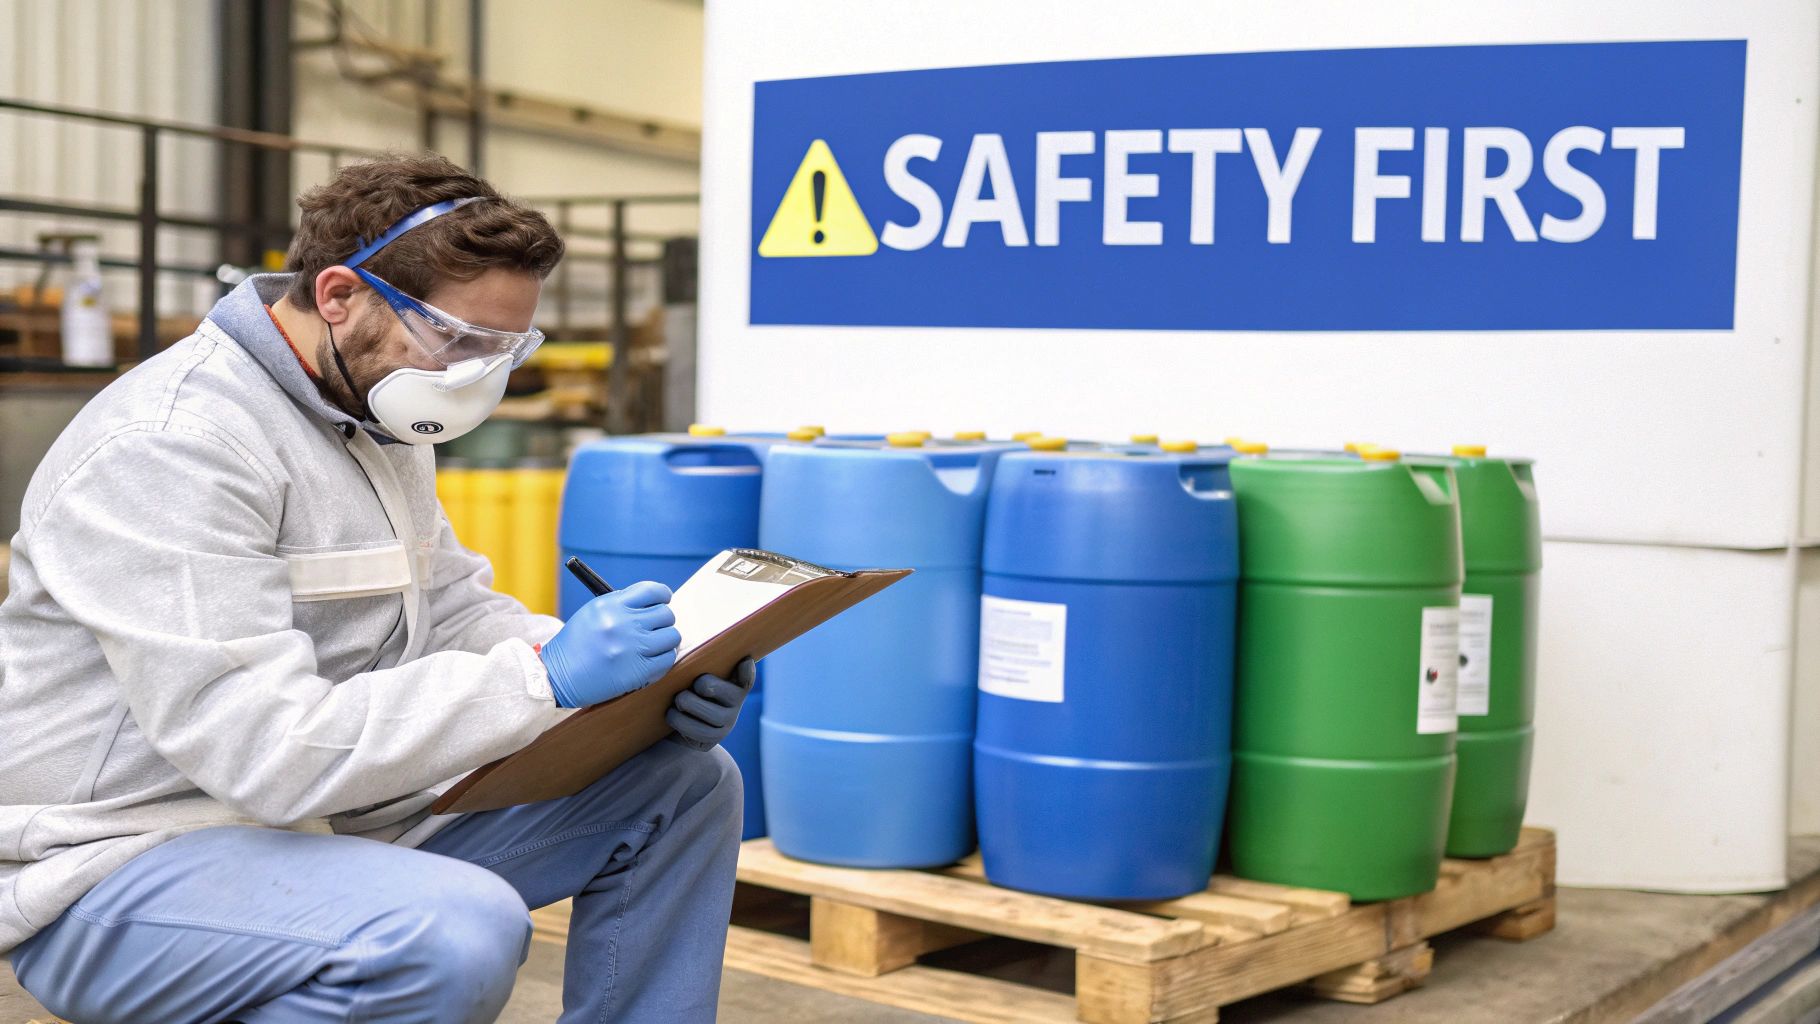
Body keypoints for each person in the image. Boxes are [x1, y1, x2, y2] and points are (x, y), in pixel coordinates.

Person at [0, 153, 752, 1023]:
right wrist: (543, 683)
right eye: (454, 338)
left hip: (328, 823)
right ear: (337, 297)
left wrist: (635, 681)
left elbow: (452, 606)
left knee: (686, 784)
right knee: (452, 932)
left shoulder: (372, 412)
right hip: (123, 859)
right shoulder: (176, 446)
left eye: (504, 347)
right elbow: (262, 751)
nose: (473, 374)